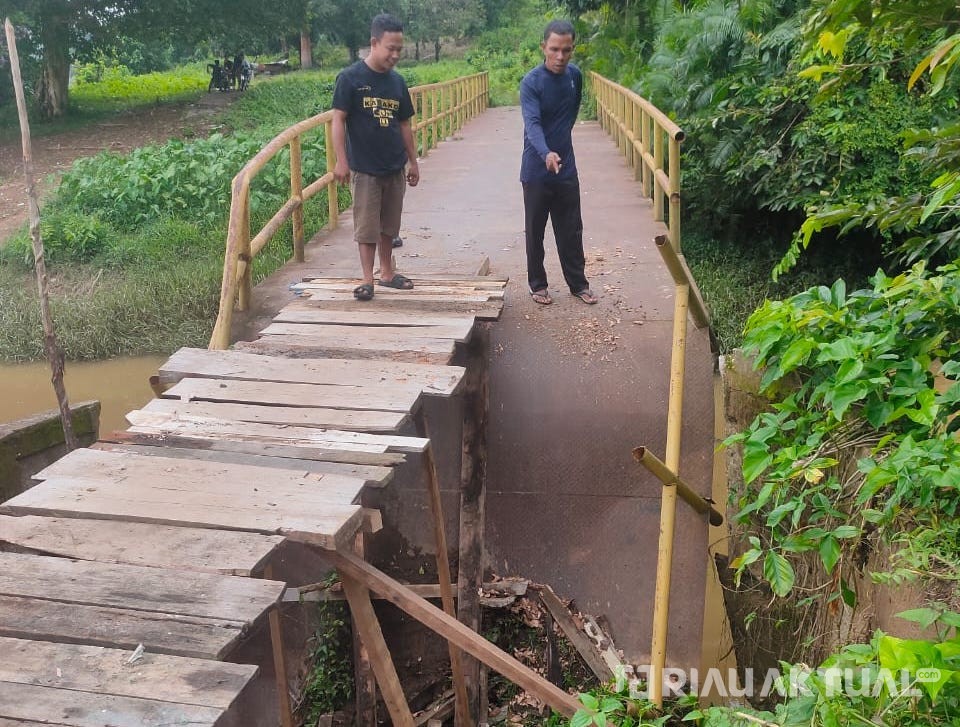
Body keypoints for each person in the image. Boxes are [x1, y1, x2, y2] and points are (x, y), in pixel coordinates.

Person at [331, 13, 420, 301]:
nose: (395, 55)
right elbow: (338, 120)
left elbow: (404, 125)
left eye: (399, 50)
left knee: (389, 225)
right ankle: (367, 279)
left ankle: (387, 273)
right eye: (390, 48)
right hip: (365, 168)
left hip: (394, 165)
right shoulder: (350, 78)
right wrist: (341, 160)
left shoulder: (397, 82)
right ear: (374, 42)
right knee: (367, 226)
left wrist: (413, 161)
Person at [519, 19, 598, 305]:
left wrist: (561, 143)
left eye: (566, 50)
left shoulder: (575, 76)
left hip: (566, 168)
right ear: (544, 47)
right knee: (535, 231)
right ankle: (537, 285)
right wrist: (546, 153)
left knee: (571, 229)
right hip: (536, 170)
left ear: (572, 49)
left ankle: (578, 285)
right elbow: (532, 124)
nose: (560, 56)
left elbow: (571, 112)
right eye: (554, 49)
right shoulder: (531, 82)